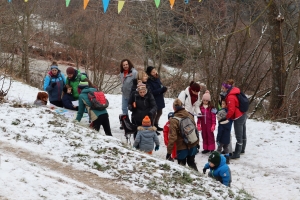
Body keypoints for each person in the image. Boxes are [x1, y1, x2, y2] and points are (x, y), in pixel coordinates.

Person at [166, 98, 199, 171]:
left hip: (182, 147)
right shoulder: (190, 115)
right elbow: (195, 129)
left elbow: (172, 137)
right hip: (193, 144)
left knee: (181, 167)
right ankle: (198, 179)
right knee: (191, 163)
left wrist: (169, 153)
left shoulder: (174, 120)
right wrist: (197, 143)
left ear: (174, 108)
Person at [221, 79, 247, 159]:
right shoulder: (234, 91)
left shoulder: (231, 97)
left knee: (238, 134)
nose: (222, 89)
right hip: (243, 113)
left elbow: (231, 110)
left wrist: (226, 117)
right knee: (243, 133)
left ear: (226, 88)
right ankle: (242, 149)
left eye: (223, 88)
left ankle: (237, 153)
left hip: (238, 116)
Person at [146, 66, 167, 131]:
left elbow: (160, 85)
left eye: (155, 71)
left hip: (160, 98)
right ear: (149, 73)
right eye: (153, 72)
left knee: (160, 112)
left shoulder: (157, 78)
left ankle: (156, 124)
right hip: (154, 99)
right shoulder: (149, 81)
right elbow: (151, 91)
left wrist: (163, 89)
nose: (155, 73)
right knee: (154, 114)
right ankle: (152, 127)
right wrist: (161, 90)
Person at [119, 59, 138, 129]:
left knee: (133, 109)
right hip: (124, 94)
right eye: (124, 65)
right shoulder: (121, 73)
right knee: (124, 109)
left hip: (132, 95)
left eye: (126, 64)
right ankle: (125, 123)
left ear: (129, 64)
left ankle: (134, 122)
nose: (125, 66)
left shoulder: (134, 72)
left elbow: (137, 83)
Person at [216, 100, 233, 164]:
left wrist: (217, 140)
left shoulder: (221, 125)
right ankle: (227, 159)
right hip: (227, 140)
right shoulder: (228, 123)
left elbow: (219, 133)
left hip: (221, 140)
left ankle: (217, 159)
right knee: (226, 149)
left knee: (219, 150)